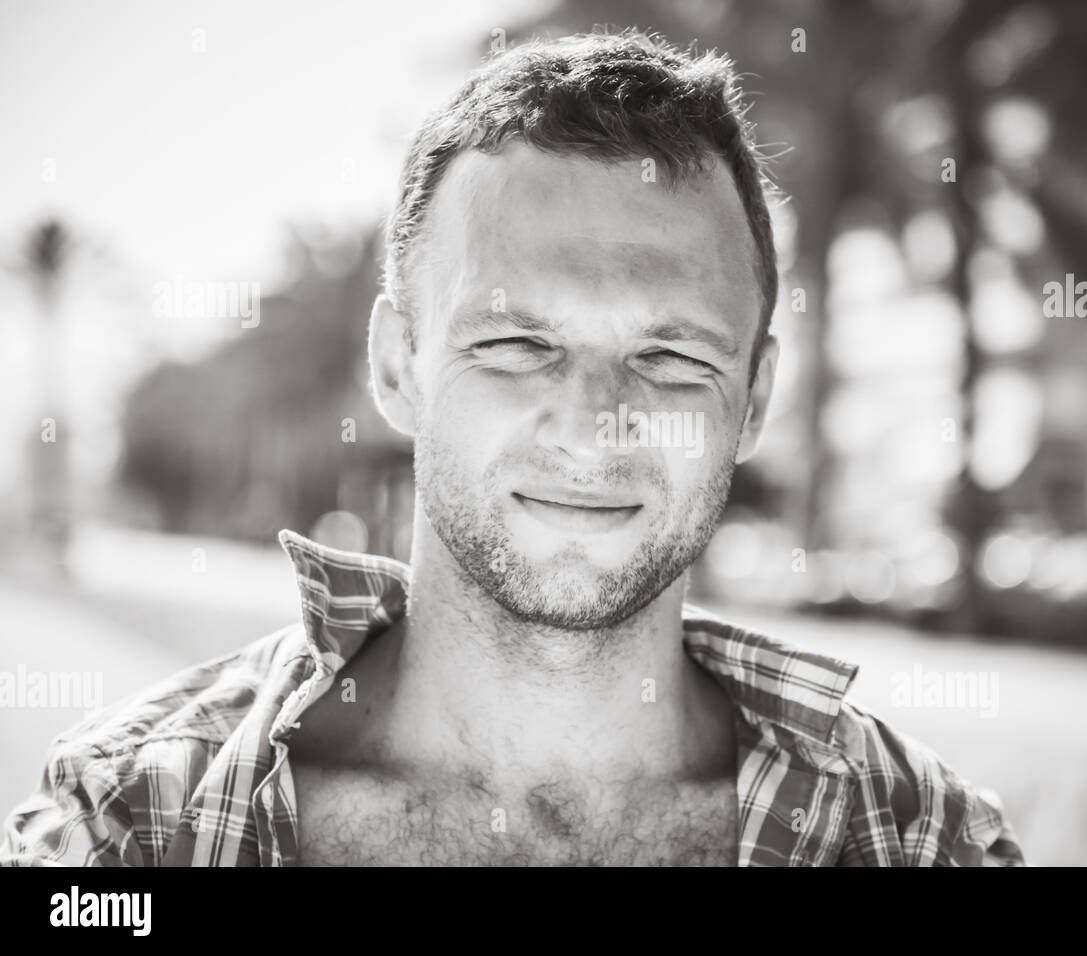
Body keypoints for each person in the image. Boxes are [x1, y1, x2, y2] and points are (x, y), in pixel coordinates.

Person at [1, 30, 1023, 867]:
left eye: (669, 355)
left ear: (754, 398)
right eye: (515, 343)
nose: (590, 422)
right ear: (398, 363)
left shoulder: (912, 837)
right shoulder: (129, 826)